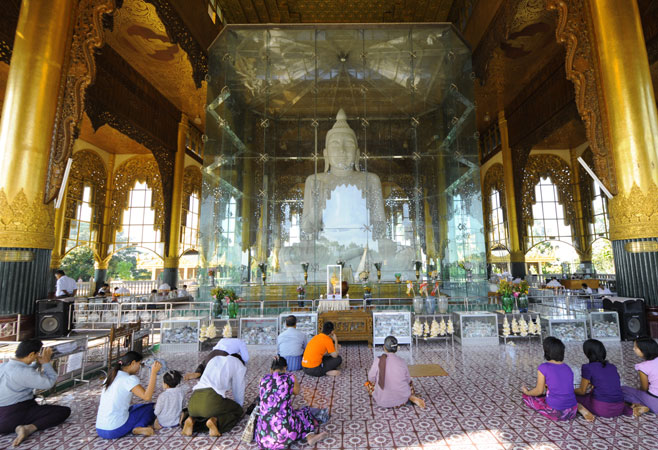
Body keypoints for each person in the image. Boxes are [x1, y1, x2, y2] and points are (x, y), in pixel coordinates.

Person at [0, 339, 71, 447]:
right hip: (16, 413)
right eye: (37, 354)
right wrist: (46, 363)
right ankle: (29, 428)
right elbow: (49, 383)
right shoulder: (24, 372)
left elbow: (25, 373)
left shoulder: (3, 366)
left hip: (3, 416)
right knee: (63, 411)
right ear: (32, 354)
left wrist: (37, 363)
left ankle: (18, 426)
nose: (39, 356)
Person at [255, 356, 328, 449]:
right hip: (284, 435)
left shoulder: (262, 379)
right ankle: (310, 436)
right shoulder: (290, 378)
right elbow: (296, 392)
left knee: (278, 415)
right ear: (285, 368)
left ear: (271, 370)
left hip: (263, 439)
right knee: (303, 413)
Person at [95, 351, 161, 439]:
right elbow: (147, 397)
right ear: (133, 363)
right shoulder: (129, 379)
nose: (139, 368)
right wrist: (153, 373)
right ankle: (138, 427)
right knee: (151, 408)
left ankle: (137, 426)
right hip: (114, 429)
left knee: (136, 407)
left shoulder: (110, 377)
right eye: (139, 364)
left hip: (100, 429)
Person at [182, 352, 246, 437]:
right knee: (237, 410)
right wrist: (239, 406)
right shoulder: (239, 364)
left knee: (204, 412)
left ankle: (191, 419)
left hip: (193, 402)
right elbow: (238, 388)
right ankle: (215, 421)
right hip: (211, 400)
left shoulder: (214, 359)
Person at [573, 339, 632, 420]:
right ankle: (633, 409)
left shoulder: (588, 367)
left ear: (588, 353)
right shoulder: (612, 367)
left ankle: (582, 409)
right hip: (619, 407)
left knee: (571, 396)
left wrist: (570, 390)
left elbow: (582, 391)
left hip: (602, 408)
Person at [521, 337, 577, 421]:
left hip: (556, 412)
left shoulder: (543, 367)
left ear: (546, 352)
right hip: (573, 411)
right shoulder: (567, 368)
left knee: (527, 397)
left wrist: (527, 392)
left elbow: (539, 391)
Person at [366, 336, 425, 409]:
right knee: (409, 384)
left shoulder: (378, 360)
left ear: (384, 347)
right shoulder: (402, 361)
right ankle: (410, 397)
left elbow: (371, 378)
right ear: (397, 348)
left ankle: (385, 394)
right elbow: (408, 380)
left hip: (382, 401)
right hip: (402, 399)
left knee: (368, 383)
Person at [622, 337, 658, 417]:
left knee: (623, 389)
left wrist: (638, 391)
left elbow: (644, 388)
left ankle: (640, 405)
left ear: (644, 350)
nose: (633, 349)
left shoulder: (643, 367)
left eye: (636, 347)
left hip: (655, 403)